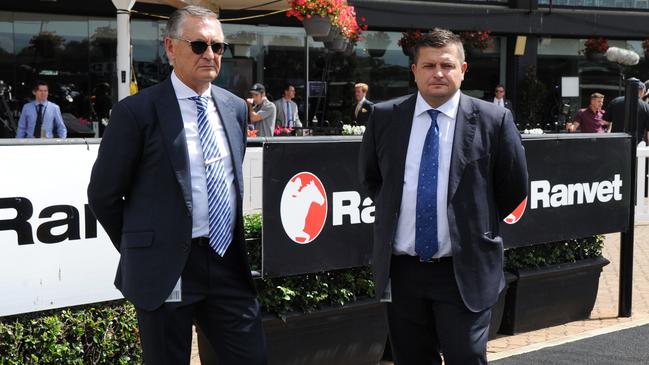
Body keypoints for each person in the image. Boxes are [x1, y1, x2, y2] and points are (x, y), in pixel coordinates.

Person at [87, 6, 266, 365]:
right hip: (166, 268)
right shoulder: (136, 112)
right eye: (199, 45)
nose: (210, 55)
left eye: (218, 47)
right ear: (170, 47)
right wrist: (146, 247)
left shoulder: (233, 108)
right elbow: (104, 195)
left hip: (226, 262)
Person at [359, 28, 528, 365]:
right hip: (403, 271)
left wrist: (474, 223)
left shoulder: (494, 120)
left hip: (463, 271)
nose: (438, 73)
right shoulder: (385, 117)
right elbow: (373, 180)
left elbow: (513, 189)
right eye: (429, 65)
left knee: (466, 357)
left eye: (447, 65)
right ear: (415, 71)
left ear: (463, 71)